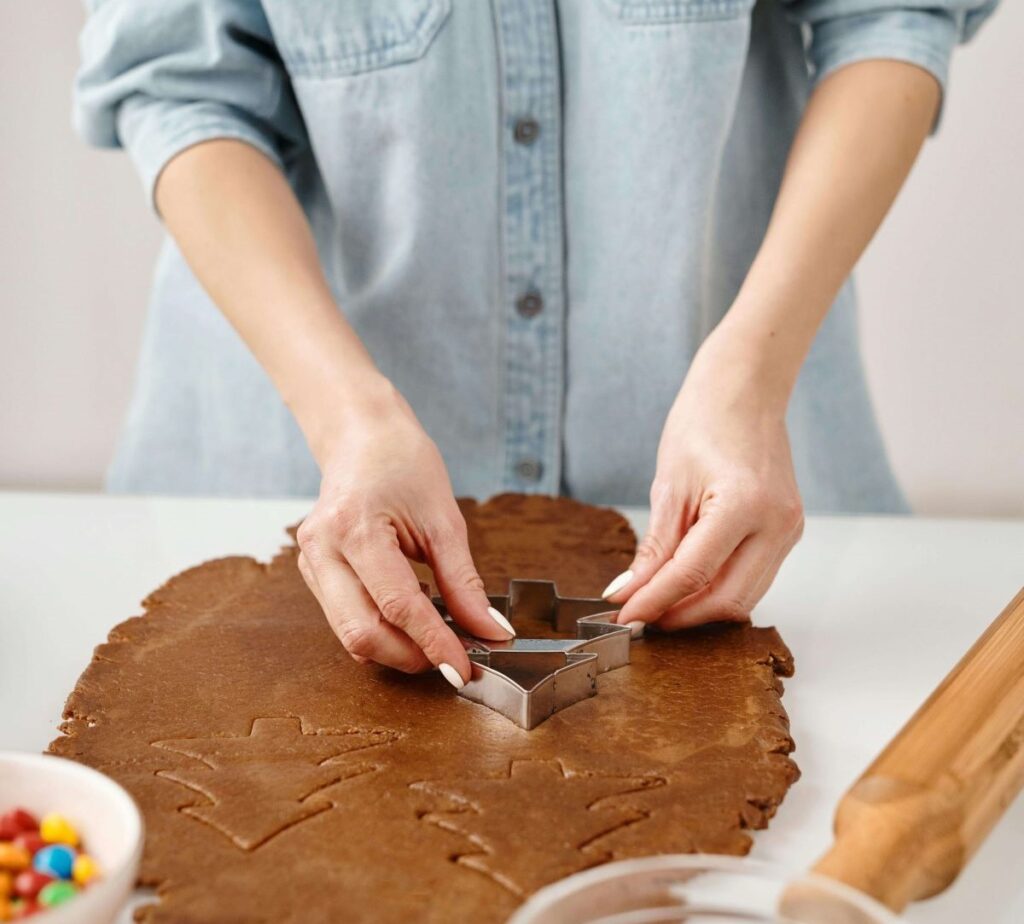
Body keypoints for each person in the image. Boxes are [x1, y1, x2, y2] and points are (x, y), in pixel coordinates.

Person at [76, 0, 995, 687]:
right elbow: (180, 86)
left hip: (734, 457)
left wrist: (753, 374)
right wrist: (348, 417)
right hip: (286, 462)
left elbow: (890, 14)